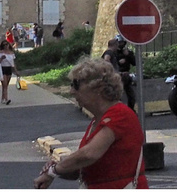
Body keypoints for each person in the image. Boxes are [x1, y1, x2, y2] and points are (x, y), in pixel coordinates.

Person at [33, 58, 148, 189]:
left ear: (97, 87)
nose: (71, 91)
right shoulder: (97, 120)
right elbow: (82, 167)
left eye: (75, 84)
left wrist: (53, 171)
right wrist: (56, 169)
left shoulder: (120, 114)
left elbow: (89, 154)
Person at [101, 36, 136, 108]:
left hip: (125, 76)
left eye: (121, 43)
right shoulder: (111, 52)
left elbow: (135, 62)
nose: (119, 45)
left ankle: (131, 110)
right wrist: (116, 69)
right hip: (116, 77)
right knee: (117, 96)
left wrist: (128, 55)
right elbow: (106, 61)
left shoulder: (126, 52)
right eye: (118, 43)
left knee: (131, 96)